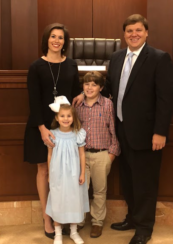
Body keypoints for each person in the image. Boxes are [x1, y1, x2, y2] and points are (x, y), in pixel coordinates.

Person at [73, 14, 173, 244]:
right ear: (124, 34)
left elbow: (166, 99)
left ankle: (144, 229)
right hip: (121, 133)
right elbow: (107, 88)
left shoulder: (159, 58)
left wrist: (160, 132)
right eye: (129, 31)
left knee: (145, 183)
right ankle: (131, 218)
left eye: (138, 30)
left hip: (148, 135)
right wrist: (84, 93)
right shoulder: (117, 57)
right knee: (129, 180)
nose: (134, 34)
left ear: (146, 32)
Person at [24, 23, 83, 239]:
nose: (56, 40)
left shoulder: (72, 65)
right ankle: (47, 218)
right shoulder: (36, 67)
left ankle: (65, 216)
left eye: (61, 37)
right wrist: (41, 128)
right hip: (42, 126)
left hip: (65, 127)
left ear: (65, 42)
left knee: (66, 173)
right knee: (45, 170)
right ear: (46, 40)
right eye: (53, 36)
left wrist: (82, 95)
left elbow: (76, 91)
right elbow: (33, 100)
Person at [75, 71, 120, 238]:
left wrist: (112, 154)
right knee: (81, 189)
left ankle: (97, 222)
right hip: (81, 155)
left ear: (101, 87)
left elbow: (113, 129)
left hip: (102, 154)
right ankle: (79, 220)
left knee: (100, 191)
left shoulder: (108, 104)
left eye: (94, 84)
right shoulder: (77, 105)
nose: (89, 87)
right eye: (87, 84)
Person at [46, 96, 89, 244]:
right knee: (58, 200)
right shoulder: (53, 135)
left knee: (73, 200)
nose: (66, 119)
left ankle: (73, 231)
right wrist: (50, 174)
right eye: (62, 116)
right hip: (57, 174)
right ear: (57, 118)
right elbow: (50, 155)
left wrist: (82, 172)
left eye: (69, 116)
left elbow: (82, 154)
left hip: (73, 174)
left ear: (73, 117)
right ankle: (58, 232)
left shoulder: (78, 134)